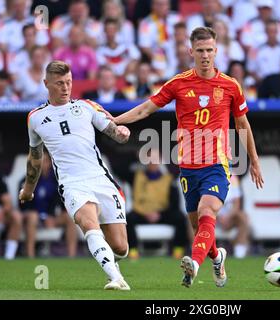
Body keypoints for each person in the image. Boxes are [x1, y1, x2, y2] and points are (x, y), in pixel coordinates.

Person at [105, 27, 263, 288]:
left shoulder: (230, 85)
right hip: (188, 168)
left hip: (216, 165)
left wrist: (254, 162)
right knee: (200, 226)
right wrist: (115, 121)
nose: (205, 55)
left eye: (209, 50)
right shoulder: (178, 83)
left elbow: (242, 124)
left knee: (206, 211)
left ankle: (195, 265)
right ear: (191, 51)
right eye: (200, 50)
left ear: (216, 51)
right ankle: (216, 256)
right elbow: (146, 108)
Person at [19, 60, 132, 290]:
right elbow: (35, 158)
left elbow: (114, 131)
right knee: (89, 223)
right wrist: (28, 190)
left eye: (69, 82)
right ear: (46, 84)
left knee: (120, 247)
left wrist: (122, 132)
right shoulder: (36, 117)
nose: (65, 87)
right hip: (72, 183)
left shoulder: (87, 106)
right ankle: (116, 278)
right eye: (59, 83)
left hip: (100, 179)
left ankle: (113, 263)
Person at [125, 149, 189, 260]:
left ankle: (178, 249)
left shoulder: (168, 179)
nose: (152, 162)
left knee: (180, 217)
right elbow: (119, 170)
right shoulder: (136, 177)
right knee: (129, 218)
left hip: (162, 214)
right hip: (142, 213)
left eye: (155, 159)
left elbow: (174, 202)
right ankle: (133, 250)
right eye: (149, 159)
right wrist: (146, 213)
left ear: (160, 161)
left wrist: (159, 213)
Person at [19, 149, 77, 258]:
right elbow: (23, 204)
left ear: (50, 163)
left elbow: (61, 201)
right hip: (32, 217)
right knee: (33, 217)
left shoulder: (57, 180)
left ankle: (71, 256)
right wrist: (43, 217)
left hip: (51, 217)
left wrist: (51, 216)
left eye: (45, 161)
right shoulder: (27, 180)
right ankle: (30, 256)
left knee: (70, 217)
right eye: (39, 161)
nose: (41, 164)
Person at [216, 175, 250, 259]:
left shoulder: (233, 179)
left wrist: (228, 217)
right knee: (193, 217)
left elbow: (236, 203)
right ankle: (196, 251)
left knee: (243, 217)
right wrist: (217, 216)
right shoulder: (207, 177)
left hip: (229, 218)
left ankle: (239, 251)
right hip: (212, 217)